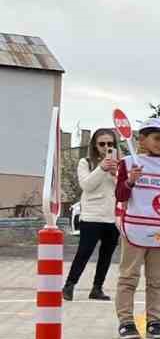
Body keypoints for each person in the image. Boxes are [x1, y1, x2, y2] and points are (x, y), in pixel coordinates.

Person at [113, 119, 160, 339]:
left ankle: (154, 321)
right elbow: (120, 196)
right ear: (141, 140)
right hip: (135, 229)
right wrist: (131, 182)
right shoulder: (128, 164)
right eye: (156, 138)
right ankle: (126, 322)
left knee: (156, 280)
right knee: (128, 277)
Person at [63, 128, 121, 301]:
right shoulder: (85, 162)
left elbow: (123, 189)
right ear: (95, 145)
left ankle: (97, 288)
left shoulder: (120, 163)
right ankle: (69, 285)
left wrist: (115, 174)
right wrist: (101, 168)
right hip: (92, 216)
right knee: (84, 252)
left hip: (112, 216)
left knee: (106, 254)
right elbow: (87, 185)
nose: (106, 147)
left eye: (110, 144)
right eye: (102, 144)